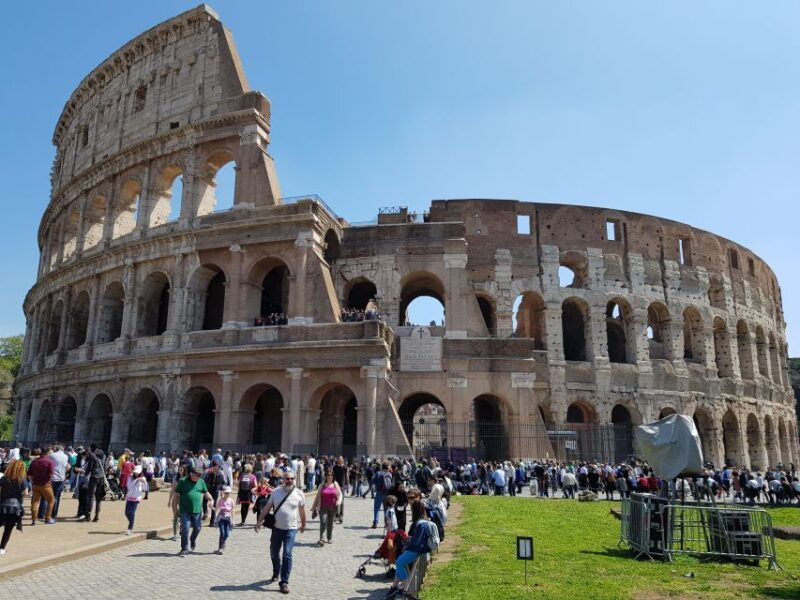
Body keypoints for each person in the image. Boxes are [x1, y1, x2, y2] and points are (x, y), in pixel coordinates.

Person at [255, 470, 307, 594]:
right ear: (283, 480)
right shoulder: (276, 492)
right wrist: (258, 521)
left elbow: (302, 511)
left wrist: (304, 524)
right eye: (287, 479)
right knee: (274, 552)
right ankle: (276, 570)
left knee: (287, 554)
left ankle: (284, 582)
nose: (289, 481)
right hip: (277, 528)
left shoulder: (299, 494)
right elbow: (267, 508)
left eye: (291, 479)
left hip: (291, 529)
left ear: (294, 479)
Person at [387, 500, 434, 599]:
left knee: (399, 562)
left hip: (416, 549)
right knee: (399, 561)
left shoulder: (421, 523)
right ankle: (399, 586)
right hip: (417, 548)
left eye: (412, 508)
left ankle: (405, 584)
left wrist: (407, 545)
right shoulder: (422, 521)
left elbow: (416, 541)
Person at [173, 466, 214, 556]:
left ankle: (192, 539)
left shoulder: (201, 481)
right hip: (185, 510)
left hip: (197, 510)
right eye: (197, 475)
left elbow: (206, 492)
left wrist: (211, 500)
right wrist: (175, 510)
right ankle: (184, 549)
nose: (199, 477)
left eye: (200, 475)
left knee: (197, 528)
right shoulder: (182, 481)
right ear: (191, 474)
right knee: (185, 529)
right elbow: (176, 496)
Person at [0, 460, 27, 555]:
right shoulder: (22, 479)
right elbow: (25, 493)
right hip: (14, 507)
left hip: (2, 505)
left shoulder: (4, 478)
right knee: (7, 530)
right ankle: (1, 548)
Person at [310, 469, 342, 546]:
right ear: (326, 476)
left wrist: (338, 502)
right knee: (323, 522)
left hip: (333, 507)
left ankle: (329, 538)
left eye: (331, 475)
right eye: (328, 475)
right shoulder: (322, 485)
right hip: (323, 507)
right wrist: (314, 508)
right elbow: (317, 497)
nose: (330, 476)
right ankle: (322, 539)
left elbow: (340, 494)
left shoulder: (335, 484)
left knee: (330, 523)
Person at [28, 445, 56, 525]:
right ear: (48, 452)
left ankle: (34, 520)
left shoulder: (34, 461)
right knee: (51, 500)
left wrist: (33, 481)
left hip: (35, 484)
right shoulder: (49, 461)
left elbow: (29, 474)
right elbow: (51, 474)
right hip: (45, 484)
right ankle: (47, 518)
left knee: (35, 502)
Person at [124, 465, 148, 535]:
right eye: (135, 472)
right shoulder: (130, 477)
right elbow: (129, 486)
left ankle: (130, 528)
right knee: (126, 513)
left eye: (137, 472)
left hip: (136, 498)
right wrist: (135, 480)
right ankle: (131, 522)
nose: (136, 473)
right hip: (129, 496)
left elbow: (145, 489)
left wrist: (144, 483)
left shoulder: (143, 478)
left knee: (132, 513)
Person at [215, 486, 234, 554]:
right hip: (221, 519)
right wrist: (216, 517)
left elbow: (232, 510)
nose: (227, 494)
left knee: (227, 534)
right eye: (226, 493)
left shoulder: (231, 500)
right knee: (222, 533)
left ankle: (223, 543)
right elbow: (217, 509)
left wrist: (232, 520)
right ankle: (221, 547)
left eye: (228, 493)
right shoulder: (220, 500)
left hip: (228, 519)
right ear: (223, 493)